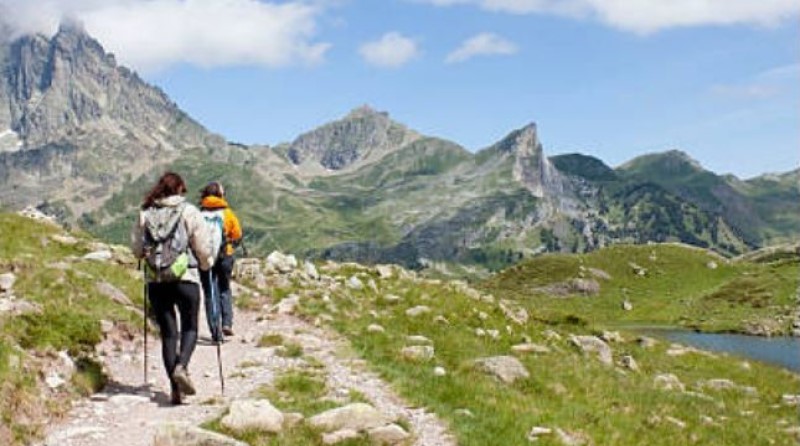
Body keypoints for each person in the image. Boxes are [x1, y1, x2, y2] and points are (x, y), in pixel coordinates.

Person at [131, 172, 213, 405]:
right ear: (179, 190)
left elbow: (137, 249)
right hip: (186, 276)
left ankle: (174, 388)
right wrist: (206, 265)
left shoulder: (145, 214)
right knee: (190, 328)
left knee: (169, 334)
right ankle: (182, 366)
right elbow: (202, 247)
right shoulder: (189, 212)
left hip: (156, 280)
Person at [198, 181, 242, 338]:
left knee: (210, 292)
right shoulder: (228, 213)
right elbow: (237, 234)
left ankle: (215, 332)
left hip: (205, 257)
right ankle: (227, 323)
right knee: (224, 288)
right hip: (225, 255)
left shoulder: (199, 214)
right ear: (220, 195)